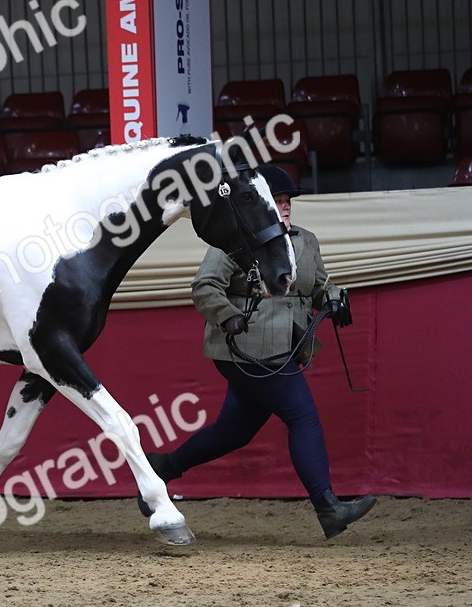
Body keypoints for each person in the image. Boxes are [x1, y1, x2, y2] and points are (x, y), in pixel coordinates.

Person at [140, 163, 375, 539]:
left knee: (233, 432)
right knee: (303, 418)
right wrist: (228, 315)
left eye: (287, 201)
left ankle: (162, 468)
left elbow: (317, 286)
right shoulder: (238, 239)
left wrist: (334, 298)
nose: (284, 206)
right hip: (245, 348)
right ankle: (328, 508)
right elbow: (205, 287)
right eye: (277, 200)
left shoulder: (305, 240)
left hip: (285, 347)